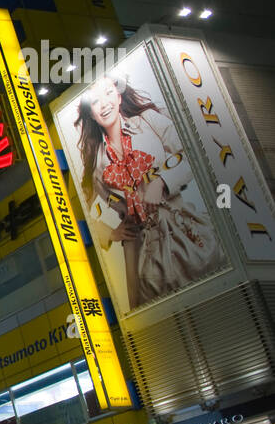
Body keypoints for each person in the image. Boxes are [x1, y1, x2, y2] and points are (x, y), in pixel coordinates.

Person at [72, 74, 222, 310]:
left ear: (119, 97)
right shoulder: (96, 164)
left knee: (214, 296)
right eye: (96, 101)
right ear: (90, 112)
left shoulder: (150, 122)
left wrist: (161, 181)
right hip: (141, 252)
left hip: (182, 230)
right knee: (163, 320)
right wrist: (110, 233)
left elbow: (191, 152)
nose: (105, 104)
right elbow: (82, 213)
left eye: (109, 94)